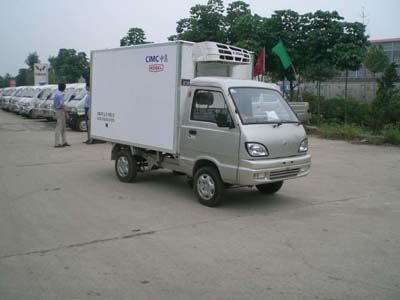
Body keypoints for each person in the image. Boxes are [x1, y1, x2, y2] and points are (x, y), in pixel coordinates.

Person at [54, 83, 70, 148]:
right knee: (59, 127)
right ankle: (57, 143)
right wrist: (66, 113)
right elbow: (62, 105)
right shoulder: (60, 95)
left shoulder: (57, 93)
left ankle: (64, 142)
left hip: (59, 110)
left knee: (63, 127)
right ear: (64, 88)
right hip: (60, 111)